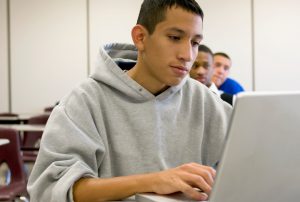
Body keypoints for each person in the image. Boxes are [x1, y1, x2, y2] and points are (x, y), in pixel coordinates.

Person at [27, 1, 232, 201]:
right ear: (141, 37)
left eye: (195, 43)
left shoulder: (204, 100)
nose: (188, 55)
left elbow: (253, 157)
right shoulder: (85, 100)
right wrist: (153, 181)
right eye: (174, 37)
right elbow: (50, 191)